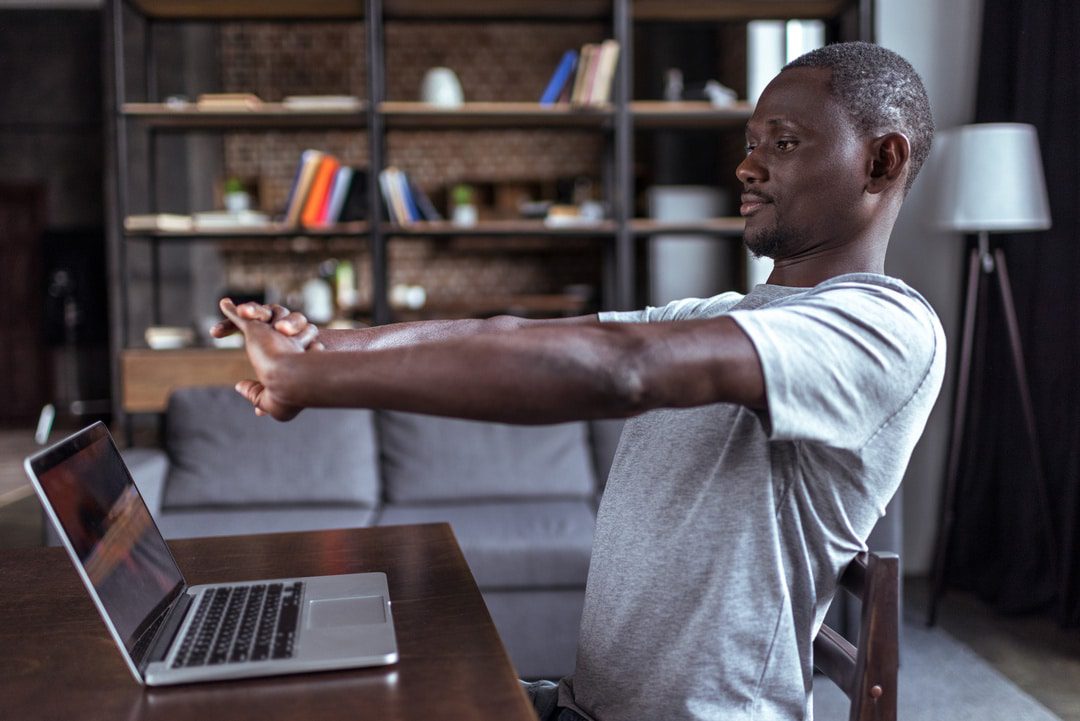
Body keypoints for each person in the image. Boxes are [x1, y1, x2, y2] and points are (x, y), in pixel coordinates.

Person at [213, 41, 944, 721]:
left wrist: (311, 380)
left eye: (783, 143)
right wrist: (322, 345)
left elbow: (623, 370)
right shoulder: (716, 312)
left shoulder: (882, 326)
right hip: (582, 704)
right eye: (751, 144)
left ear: (881, 162)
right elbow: (508, 335)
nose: (747, 168)